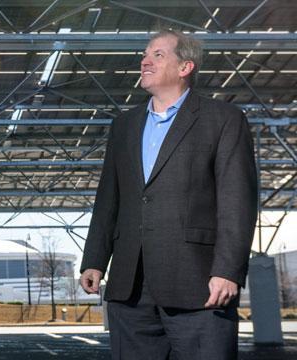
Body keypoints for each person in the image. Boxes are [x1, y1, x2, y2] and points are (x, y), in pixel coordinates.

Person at [80, 30, 257, 360]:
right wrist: (94, 259)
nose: (145, 61)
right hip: (130, 287)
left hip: (199, 284)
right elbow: (109, 199)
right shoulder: (124, 125)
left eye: (158, 55)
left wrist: (228, 270)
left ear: (185, 67)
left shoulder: (224, 120)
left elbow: (237, 201)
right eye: (145, 54)